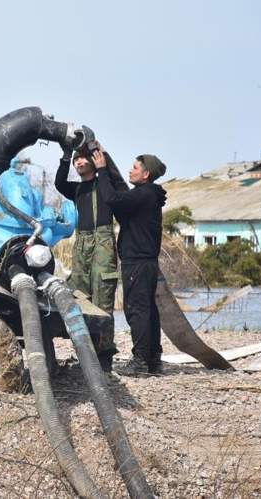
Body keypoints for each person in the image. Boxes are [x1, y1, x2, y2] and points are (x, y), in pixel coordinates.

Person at [54, 141, 127, 372]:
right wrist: (65, 157)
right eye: (77, 160)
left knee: (103, 300)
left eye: (82, 158)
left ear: (94, 161)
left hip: (103, 242)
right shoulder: (77, 189)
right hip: (82, 243)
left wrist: (102, 155)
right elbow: (58, 183)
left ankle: (104, 356)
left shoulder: (105, 184)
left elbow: (116, 182)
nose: (79, 162)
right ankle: (86, 352)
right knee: (80, 296)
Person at [93, 150, 167, 375]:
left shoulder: (144, 194)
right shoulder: (148, 196)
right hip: (146, 262)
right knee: (148, 311)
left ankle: (140, 362)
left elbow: (112, 199)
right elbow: (122, 208)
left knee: (137, 311)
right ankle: (153, 360)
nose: (130, 171)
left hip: (137, 262)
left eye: (135, 168)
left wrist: (102, 170)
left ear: (146, 175)